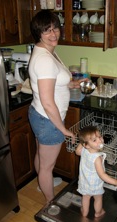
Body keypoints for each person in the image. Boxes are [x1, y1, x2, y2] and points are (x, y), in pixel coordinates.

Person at [28, 9, 87, 203]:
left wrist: (72, 84)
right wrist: (63, 129)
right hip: (49, 120)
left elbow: (53, 84)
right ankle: (49, 203)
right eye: (47, 30)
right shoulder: (45, 59)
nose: (53, 34)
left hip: (41, 115)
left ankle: (42, 183)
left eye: (55, 29)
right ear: (39, 33)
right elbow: (47, 101)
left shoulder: (47, 51)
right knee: (47, 165)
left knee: (42, 158)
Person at [75, 126, 117, 218]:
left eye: (100, 136)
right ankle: (98, 212)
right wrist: (115, 181)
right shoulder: (97, 158)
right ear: (86, 145)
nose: (100, 140)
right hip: (95, 185)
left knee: (85, 198)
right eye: (94, 140)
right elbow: (102, 175)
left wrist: (83, 141)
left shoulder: (84, 151)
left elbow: (77, 151)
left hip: (84, 182)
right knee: (98, 198)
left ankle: (84, 212)